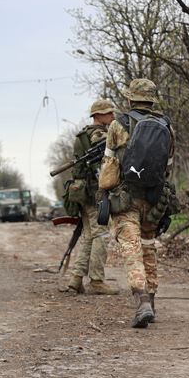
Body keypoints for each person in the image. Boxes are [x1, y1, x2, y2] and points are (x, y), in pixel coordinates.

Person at [103, 79, 176, 328]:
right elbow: (167, 167)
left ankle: (142, 302)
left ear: (131, 99)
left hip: (126, 198)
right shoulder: (166, 125)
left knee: (131, 249)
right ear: (152, 100)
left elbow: (109, 165)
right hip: (154, 198)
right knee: (148, 246)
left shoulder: (118, 124)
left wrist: (105, 193)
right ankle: (152, 304)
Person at [66, 100, 119, 296]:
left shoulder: (83, 134)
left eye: (113, 113)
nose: (113, 116)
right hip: (94, 191)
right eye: (108, 113)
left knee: (89, 235)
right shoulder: (99, 134)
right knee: (102, 233)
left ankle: (76, 278)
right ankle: (96, 281)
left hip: (82, 191)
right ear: (97, 115)